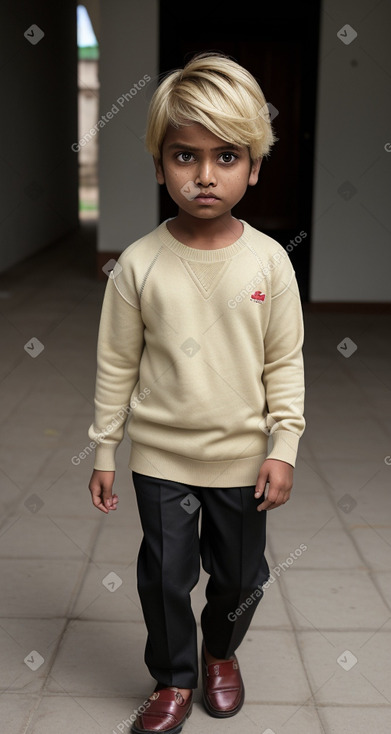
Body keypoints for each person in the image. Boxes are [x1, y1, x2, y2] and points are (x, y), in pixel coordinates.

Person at [88, 51, 306, 734]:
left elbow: (285, 362)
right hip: (160, 458)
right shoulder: (140, 265)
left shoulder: (269, 261)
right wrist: (102, 448)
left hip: (242, 459)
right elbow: (115, 362)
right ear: (159, 165)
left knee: (240, 581)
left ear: (254, 166)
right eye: (184, 156)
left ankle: (220, 651)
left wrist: (284, 445)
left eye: (226, 156)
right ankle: (175, 677)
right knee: (163, 578)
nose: (205, 175)